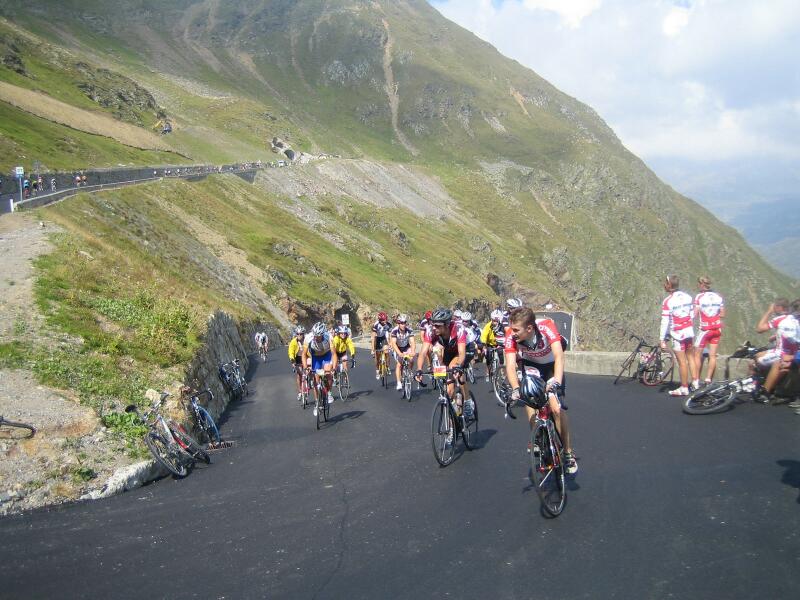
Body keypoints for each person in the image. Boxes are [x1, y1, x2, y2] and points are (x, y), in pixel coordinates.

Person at [504, 307, 577, 474]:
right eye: (511, 328)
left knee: (556, 409)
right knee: (528, 393)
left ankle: (567, 452)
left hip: (552, 365)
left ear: (529, 328)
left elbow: (559, 356)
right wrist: (516, 389)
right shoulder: (511, 335)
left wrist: (556, 382)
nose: (512, 332)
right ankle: (536, 435)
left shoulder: (546, 326)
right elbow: (510, 364)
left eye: (516, 329)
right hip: (531, 365)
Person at [415, 308, 468, 413]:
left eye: (438, 326)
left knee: (456, 370)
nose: (434, 328)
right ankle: (453, 417)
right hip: (446, 353)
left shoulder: (458, 329)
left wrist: (458, 365)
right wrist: (419, 369)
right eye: (433, 324)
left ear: (447, 324)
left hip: (459, 352)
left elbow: (462, 353)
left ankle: (468, 401)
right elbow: (423, 352)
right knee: (448, 390)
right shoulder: (430, 331)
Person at [754, 298, 798, 403]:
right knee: (757, 355)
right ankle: (763, 385)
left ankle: (765, 391)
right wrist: (776, 335)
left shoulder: (782, 319)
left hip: (785, 353)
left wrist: (769, 311)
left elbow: (759, 329)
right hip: (786, 352)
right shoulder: (792, 320)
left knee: (759, 361)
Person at [660, 274, 698, 396]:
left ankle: (684, 387)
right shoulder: (688, 297)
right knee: (691, 357)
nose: (663, 285)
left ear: (669, 285)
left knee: (682, 362)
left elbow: (665, 321)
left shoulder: (667, 301)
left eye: (665, 283)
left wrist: (662, 339)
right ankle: (696, 383)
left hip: (678, 334)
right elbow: (692, 315)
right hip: (689, 332)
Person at [693, 276, 725, 384]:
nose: (697, 285)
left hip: (705, 329)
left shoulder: (699, 297)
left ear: (702, 284)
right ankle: (708, 379)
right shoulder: (718, 297)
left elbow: (695, 315)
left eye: (698, 283)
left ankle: (696, 380)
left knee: (697, 355)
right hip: (717, 328)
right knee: (712, 355)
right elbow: (723, 314)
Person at [301, 322, 336, 415]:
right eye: (315, 335)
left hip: (326, 355)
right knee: (316, 381)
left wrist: (334, 367)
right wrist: (305, 368)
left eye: (318, 336)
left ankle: (328, 393)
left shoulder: (329, 337)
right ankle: (317, 403)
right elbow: (303, 355)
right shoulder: (308, 338)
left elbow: (334, 354)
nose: (316, 337)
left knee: (328, 373)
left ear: (323, 334)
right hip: (315, 357)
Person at [389, 314, 416, 391]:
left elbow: (412, 342)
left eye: (404, 323)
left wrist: (413, 351)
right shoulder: (394, 331)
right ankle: (399, 383)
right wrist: (399, 353)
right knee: (399, 365)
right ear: (398, 323)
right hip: (397, 348)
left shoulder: (409, 330)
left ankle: (409, 371)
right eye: (401, 323)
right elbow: (393, 343)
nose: (403, 325)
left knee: (411, 359)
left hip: (406, 347)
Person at [481, 309, 507, 382]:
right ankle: (487, 372)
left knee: (501, 356)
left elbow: (507, 335)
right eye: (492, 320)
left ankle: (502, 373)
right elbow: (483, 336)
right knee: (488, 357)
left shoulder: (503, 326)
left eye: (495, 321)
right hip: (490, 344)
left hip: (500, 344)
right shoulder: (488, 326)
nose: (493, 322)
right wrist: (484, 346)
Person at [371, 311, 392, 380]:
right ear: (380, 320)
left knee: (387, 352)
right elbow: (373, 338)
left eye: (386, 319)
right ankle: (377, 371)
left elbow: (390, 336)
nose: (385, 321)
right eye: (383, 320)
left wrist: (390, 344)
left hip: (383, 338)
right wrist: (372, 349)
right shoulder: (376, 325)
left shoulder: (388, 324)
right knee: (377, 356)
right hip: (377, 339)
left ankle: (388, 367)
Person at [287, 326, 307, 402]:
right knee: (299, 375)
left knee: (310, 371)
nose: (299, 335)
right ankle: (300, 392)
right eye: (297, 334)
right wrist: (292, 361)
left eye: (301, 334)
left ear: (303, 334)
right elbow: (291, 352)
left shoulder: (306, 340)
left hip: (306, 357)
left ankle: (310, 382)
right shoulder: (293, 342)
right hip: (297, 358)